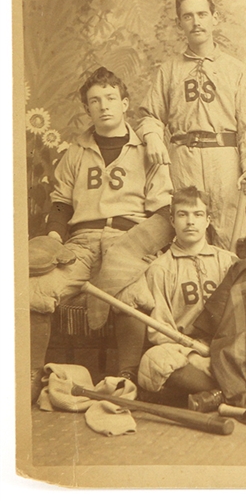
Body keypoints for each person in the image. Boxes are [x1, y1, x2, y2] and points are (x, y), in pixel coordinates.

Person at [29, 67, 173, 402]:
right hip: (81, 242)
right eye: (95, 101)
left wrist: (134, 247)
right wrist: (52, 238)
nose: (103, 106)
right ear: (87, 109)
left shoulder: (146, 150)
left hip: (129, 240)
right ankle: (31, 375)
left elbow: (165, 214)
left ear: (125, 104)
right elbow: (62, 203)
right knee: (35, 290)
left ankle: (126, 379)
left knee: (132, 294)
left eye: (110, 98)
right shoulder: (75, 152)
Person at [137, 0, 246, 251]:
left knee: (231, 240)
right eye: (188, 16)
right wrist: (152, 138)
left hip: (225, 162)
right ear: (179, 23)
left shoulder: (236, 70)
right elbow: (150, 115)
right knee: (189, 236)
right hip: (183, 160)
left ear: (214, 18)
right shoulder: (168, 70)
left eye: (202, 15)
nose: (196, 22)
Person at [137, 186, 238, 412]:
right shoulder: (160, 268)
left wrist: (219, 351)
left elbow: (241, 315)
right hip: (185, 351)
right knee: (154, 361)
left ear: (208, 220)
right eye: (183, 215)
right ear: (172, 221)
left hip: (225, 347)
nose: (190, 222)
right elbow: (159, 330)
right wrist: (192, 355)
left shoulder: (227, 261)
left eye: (197, 215)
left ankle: (217, 394)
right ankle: (229, 393)